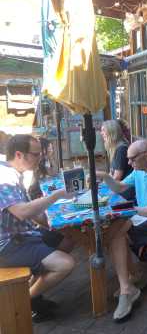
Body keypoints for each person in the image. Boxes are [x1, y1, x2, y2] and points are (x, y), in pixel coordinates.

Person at [97, 139, 147, 321]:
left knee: (117, 234)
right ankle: (131, 279)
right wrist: (105, 176)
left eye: (132, 159)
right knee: (115, 231)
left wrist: (130, 210)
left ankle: (129, 286)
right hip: (144, 216)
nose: (128, 163)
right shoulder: (139, 170)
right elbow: (119, 187)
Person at [0, 135, 75, 322]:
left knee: (67, 238)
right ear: (19, 154)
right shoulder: (5, 177)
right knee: (65, 264)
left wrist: (56, 222)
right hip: (9, 245)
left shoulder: (14, 173)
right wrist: (57, 195)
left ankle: (36, 292)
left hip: (24, 235)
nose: (40, 158)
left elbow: (31, 213)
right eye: (35, 154)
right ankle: (24, 301)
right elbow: (23, 212)